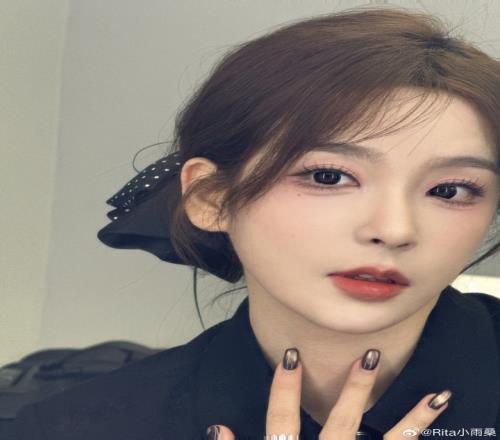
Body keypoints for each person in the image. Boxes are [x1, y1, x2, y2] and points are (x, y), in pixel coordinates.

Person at [10, 6, 500, 440]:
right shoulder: (75, 428)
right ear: (212, 197)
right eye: (328, 176)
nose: (394, 230)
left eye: (450, 190)